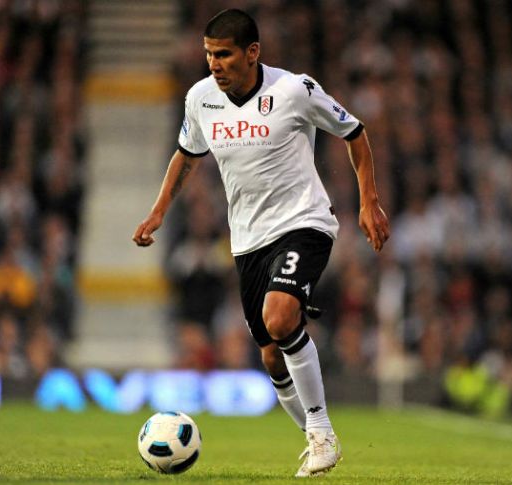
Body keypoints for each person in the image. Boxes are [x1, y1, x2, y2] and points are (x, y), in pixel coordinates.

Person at [132, 8, 390, 477]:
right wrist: (159, 211)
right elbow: (186, 155)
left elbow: (355, 132)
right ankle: (315, 439)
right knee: (271, 352)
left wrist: (368, 201)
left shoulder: (294, 90)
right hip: (248, 240)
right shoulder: (201, 99)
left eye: (224, 54)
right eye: (209, 54)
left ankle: (322, 430)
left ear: (252, 53)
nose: (214, 63)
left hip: (304, 222)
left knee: (279, 315)